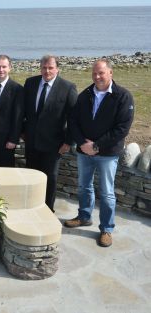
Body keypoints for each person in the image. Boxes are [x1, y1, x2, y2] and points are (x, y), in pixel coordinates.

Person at [65, 59, 134, 247]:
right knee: (83, 186)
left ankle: (106, 229)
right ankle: (84, 216)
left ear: (110, 73)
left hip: (107, 153)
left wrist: (96, 146)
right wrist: (82, 143)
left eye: (101, 73)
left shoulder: (123, 96)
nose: (97, 77)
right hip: (83, 151)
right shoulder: (85, 94)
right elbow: (73, 120)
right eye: (94, 73)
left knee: (107, 192)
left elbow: (122, 128)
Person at [23, 55, 77, 212]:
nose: (47, 71)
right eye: (44, 67)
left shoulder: (67, 87)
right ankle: (31, 206)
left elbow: (73, 118)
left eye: (51, 68)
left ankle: (47, 210)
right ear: (40, 68)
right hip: (32, 141)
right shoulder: (30, 83)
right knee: (31, 176)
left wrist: (68, 142)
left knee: (50, 178)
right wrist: (22, 130)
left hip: (54, 144)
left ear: (57, 69)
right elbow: (23, 110)